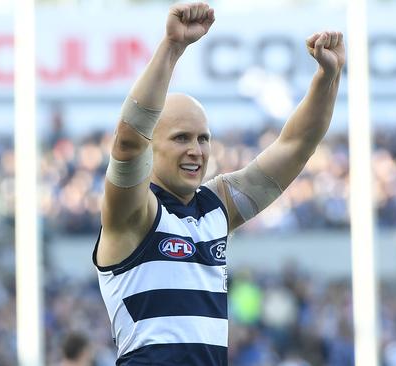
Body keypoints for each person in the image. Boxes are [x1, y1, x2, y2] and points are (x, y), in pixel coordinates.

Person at [92, 2, 345, 365]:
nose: (197, 150)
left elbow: (296, 145)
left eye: (203, 139)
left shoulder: (215, 207)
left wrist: (327, 78)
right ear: (152, 146)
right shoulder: (134, 213)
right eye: (181, 138)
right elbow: (128, 139)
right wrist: (172, 47)